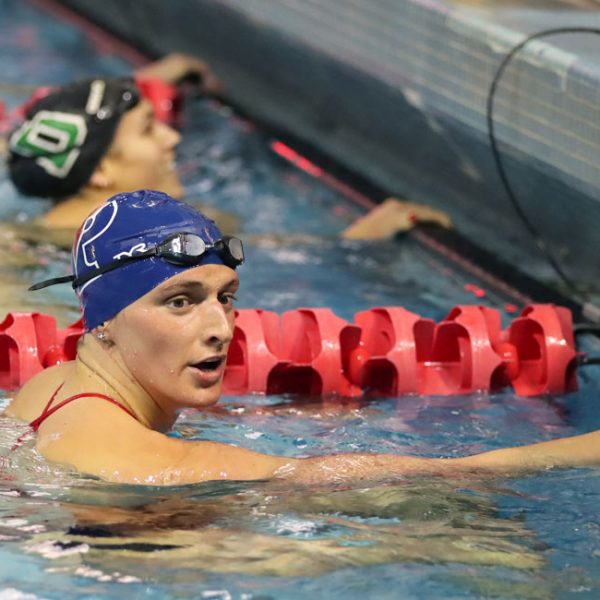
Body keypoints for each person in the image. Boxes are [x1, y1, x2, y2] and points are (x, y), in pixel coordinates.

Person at [5, 189, 600, 486]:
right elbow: (332, 479)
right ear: (103, 319)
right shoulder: (141, 459)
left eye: (225, 297)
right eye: (180, 301)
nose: (220, 328)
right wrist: (570, 453)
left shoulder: (54, 387)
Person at [4, 60, 450, 246]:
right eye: (148, 129)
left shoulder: (185, 227)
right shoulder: (18, 256)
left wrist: (352, 242)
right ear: (100, 168)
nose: (171, 138)